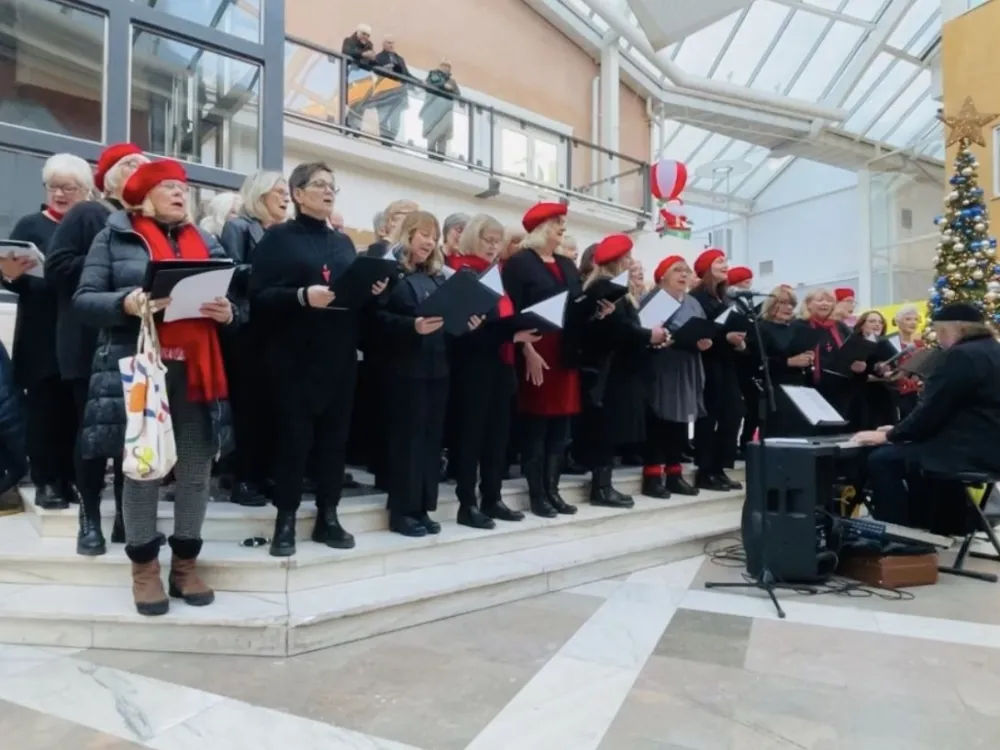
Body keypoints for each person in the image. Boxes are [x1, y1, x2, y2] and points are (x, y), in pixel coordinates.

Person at [74, 159, 237, 616]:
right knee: (143, 468)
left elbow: (235, 296)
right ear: (144, 194)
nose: (180, 193)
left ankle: (184, 566)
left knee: (196, 469)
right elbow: (84, 300)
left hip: (197, 370)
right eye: (168, 186)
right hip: (143, 368)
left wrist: (229, 313)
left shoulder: (205, 240)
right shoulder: (114, 236)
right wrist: (126, 302)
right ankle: (144, 568)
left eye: (183, 187)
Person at [249, 162, 387, 557]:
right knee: (294, 439)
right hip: (293, 355)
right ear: (297, 192)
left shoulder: (342, 244)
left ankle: (329, 514)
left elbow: (349, 295)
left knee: (334, 441)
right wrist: (300, 296)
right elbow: (258, 296)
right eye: (319, 185)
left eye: (332, 186)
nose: (328, 191)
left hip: (339, 353)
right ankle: (286, 520)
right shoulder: (277, 240)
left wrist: (371, 289)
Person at [46, 143, 148, 554]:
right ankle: (90, 519)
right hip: (87, 341)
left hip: (131, 344)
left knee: (130, 436)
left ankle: (126, 515)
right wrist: (104, 258)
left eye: (144, 165)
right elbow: (56, 267)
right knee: (91, 437)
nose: (139, 170)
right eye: (129, 165)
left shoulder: (146, 224)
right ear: (107, 177)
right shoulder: (89, 214)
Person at [376, 211, 478, 536]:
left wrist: (466, 322)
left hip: (437, 368)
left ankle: (422, 507)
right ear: (408, 235)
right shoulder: (392, 274)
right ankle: (402, 510)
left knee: (431, 441)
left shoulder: (437, 277)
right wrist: (412, 326)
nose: (430, 242)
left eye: (433, 236)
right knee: (407, 441)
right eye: (424, 234)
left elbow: (447, 326)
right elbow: (376, 320)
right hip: (404, 369)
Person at [855, 302, 1000, 531]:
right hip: (988, 448)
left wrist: (891, 435)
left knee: (881, 459)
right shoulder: (993, 350)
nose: (940, 339)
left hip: (967, 451)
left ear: (954, 329)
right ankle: (942, 525)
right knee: (912, 454)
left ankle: (899, 536)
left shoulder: (960, 355)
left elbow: (934, 409)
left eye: (940, 332)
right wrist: (901, 431)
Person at [4, 153, 93, 512]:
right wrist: (9, 274)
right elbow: (9, 274)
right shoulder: (29, 225)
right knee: (43, 408)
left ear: (85, 191)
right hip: (41, 330)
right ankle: (47, 482)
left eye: (68, 187)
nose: (59, 194)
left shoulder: (92, 227)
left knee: (75, 410)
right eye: (53, 186)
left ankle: (72, 478)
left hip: (79, 331)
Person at [445, 214, 535, 527]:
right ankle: (466, 503)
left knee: (498, 435)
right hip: (473, 365)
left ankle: (492, 497)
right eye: (488, 240)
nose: (494, 246)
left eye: (498, 241)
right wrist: (510, 333)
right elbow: (467, 326)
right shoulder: (459, 269)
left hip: (502, 363)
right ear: (473, 238)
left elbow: (501, 317)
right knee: (472, 435)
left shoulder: (495, 273)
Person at [501, 202, 582, 517]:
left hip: (566, 348)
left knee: (561, 427)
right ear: (540, 227)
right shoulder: (520, 263)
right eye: (557, 222)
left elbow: (575, 304)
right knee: (537, 425)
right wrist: (527, 350)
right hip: (536, 347)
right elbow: (514, 311)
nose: (563, 227)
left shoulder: (566, 263)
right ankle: (538, 494)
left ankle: (554, 490)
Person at [217, 171, 289, 508]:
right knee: (248, 408)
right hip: (246, 328)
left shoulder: (287, 233)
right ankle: (243, 478)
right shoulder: (240, 227)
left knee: (274, 407)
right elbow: (231, 272)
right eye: (279, 192)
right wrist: (275, 271)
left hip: (278, 329)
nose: (286, 198)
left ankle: (267, 474)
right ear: (260, 195)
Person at [578, 235, 666, 507]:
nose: (631, 263)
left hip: (618, 369)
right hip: (608, 371)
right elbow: (618, 328)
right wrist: (648, 335)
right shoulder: (604, 288)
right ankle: (601, 488)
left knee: (610, 428)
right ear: (616, 261)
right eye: (627, 258)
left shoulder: (612, 287)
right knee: (605, 429)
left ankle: (604, 485)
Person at [641, 256, 707, 498]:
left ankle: (675, 474)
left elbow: (702, 326)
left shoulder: (692, 302)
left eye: (686, 270)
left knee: (681, 420)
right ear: (662, 275)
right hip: (662, 364)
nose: (683, 274)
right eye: (676, 270)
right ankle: (652, 476)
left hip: (688, 363)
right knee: (660, 419)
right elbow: (645, 330)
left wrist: (705, 341)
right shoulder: (654, 299)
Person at [689, 249, 745, 491]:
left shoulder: (726, 298)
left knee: (733, 411)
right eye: (719, 261)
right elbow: (701, 330)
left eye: (725, 260)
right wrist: (726, 337)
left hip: (727, 361)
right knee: (709, 415)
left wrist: (741, 341)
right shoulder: (698, 297)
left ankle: (720, 466)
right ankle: (705, 468)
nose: (725, 265)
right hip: (708, 361)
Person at [792, 288, 868, 428]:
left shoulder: (840, 326)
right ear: (808, 304)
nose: (825, 304)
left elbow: (851, 351)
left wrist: (859, 364)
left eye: (829, 301)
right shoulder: (798, 326)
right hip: (811, 388)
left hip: (841, 389)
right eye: (820, 300)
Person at [727, 266, 757, 456]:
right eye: (745, 282)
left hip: (747, 359)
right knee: (735, 407)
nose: (749, 285)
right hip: (734, 360)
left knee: (751, 406)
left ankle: (745, 442)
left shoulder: (746, 304)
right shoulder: (730, 303)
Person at [853, 310, 896, 429]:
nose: (877, 324)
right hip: (862, 395)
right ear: (861, 325)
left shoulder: (885, 343)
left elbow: (894, 365)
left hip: (883, 394)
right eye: (872, 321)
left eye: (880, 322)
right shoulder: (855, 343)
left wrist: (889, 370)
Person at [889, 305, 924, 419]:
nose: (913, 322)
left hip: (918, 392)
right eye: (908, 319)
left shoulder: (921, 344)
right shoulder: (890, 341)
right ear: (898, 321)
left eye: (915, 319)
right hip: (896, 392)